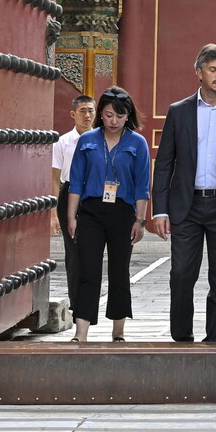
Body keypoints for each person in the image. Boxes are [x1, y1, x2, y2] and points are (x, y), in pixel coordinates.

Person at [151, 44, 216, 342]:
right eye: (213, 70)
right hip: (187, 205)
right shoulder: (179, 112)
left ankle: (215, 340)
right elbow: (165, 162)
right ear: (199, 73)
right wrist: (160, 209)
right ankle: (182, 338)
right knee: (182, 274)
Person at [66, 87, 151, 343]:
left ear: (128, 116)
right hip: (91, 211)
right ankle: (81, 333)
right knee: (88, 271)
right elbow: (76, 182)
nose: (114, 121)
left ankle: (118, 331)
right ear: (100, 114)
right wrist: (72, 216)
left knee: (119, 271)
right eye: (109, 115)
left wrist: (140, 220)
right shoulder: (87, 140)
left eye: (120, 116)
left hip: (123, 213)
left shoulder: (137, 142)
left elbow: (142, 185)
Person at [51, 95, 96, 306]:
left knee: (94, 251)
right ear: (73, 114)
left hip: (95, 195)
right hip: (69, 195)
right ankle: (76, 302)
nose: (87, 116)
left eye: (90, 111)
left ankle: (91, 299)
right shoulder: (62, 143)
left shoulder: (103, 139)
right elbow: (54, 180)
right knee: (74, 252)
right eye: (82, 111)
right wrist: (52, 214)